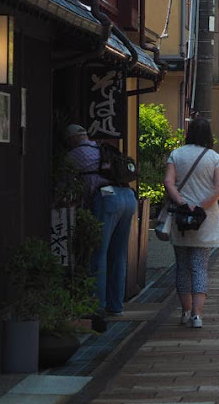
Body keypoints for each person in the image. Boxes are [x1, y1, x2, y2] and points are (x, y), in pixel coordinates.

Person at [65, 124, 137, 323]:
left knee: (99, 253)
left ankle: (97, 307)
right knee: (119, 255)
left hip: (107, 199)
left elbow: (64, 181)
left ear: (71, 140)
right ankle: (116, 306)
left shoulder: (75, 154)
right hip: (128, 197)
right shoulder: (102, 149)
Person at [164, 118, 219, 328]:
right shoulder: (214, 157)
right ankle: (197, 315)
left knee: (182, 267)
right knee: (199, 267)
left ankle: (185, 311)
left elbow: (168, 182)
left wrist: (183, 203)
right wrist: (200, 206)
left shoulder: (177, 154)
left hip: (181, 218)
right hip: (205, 219)